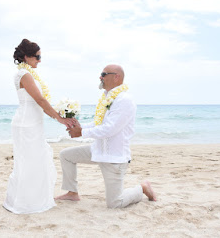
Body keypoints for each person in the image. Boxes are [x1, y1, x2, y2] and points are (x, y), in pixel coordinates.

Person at [55, 64, 156, 208]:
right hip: (98, 150)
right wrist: (78, 126)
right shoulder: (106, 97)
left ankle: (142, 188)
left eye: (104, 74)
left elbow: (110, 129)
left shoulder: (124, 100)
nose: (100, 77)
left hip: (113, 157)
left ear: (116, 77)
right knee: (66, 155)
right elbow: (99, 123)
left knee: (115, 203)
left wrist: (81, 133)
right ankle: (72, 193)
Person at [3, 39, 75, 214]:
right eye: (37, 57)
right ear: (27, 57)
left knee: (33, 160)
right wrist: (60, 119)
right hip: (27, 124)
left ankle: (28, 200)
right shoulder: (24, 75)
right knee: (30, 161)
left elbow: (42, 101)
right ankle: (27, 203)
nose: (40, 60)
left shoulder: (28, 74)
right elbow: (40, 100)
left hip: (32, 122)